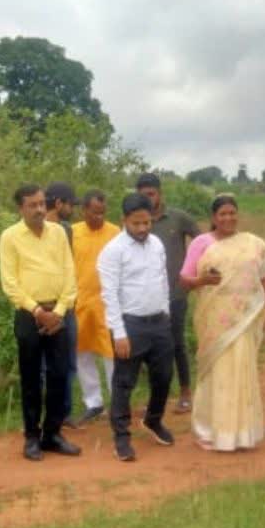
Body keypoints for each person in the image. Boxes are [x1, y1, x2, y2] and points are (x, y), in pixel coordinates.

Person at [179, 195, 265, 451]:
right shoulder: (201, 243)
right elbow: (184, 279)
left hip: (244, 320)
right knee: (215, 373)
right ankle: (209, 431)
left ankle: (241, 434)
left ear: (238, 215)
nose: (228, 218)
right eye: (222, 214)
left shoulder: (251, 243)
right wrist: (203, 281)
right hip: (213, 320)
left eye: (232, 213)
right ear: (213, 218)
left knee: (241, 371)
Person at [0, 184, 82, 461]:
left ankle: (53, 434)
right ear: (20, 208)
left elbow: (70, 273)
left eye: (41, 204)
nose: (39, 209)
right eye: (32, 205)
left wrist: (58, 311)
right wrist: (38, 311)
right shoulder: (10, 237)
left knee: (60, 375)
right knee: (32, 377)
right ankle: (32, 437)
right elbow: (10, 283)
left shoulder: (58, 232)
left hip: (60, 313)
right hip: (29, 315)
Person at [97, 193, 176, 461]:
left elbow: (162, 280)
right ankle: (121, 436)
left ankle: (153, 420)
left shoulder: (156, 244)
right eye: (136, 224)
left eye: (146, 223)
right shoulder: (113, 251)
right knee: (124, 382)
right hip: (131, 325)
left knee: (164, 376)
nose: (142, 229)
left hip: (159, 322)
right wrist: (119, 333)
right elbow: (109, 294)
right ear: (124, 220)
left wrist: (165, 313)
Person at [139, 173, 202, 413]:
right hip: (148, 296)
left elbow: (203, 242)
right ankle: (156, 399)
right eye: (143, 195)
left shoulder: (177, 218)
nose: (147, 199)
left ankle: (186, 392)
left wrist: (193, 275)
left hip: (176, 293)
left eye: (151, 194)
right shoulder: (138, 222)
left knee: (176, 343)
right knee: (150, 348)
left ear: (159, 194)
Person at [71, 190, 120, 423]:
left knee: (111, 354)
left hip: (107, 304)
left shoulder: (115, 233)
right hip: (79, 302)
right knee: (82, 353)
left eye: (102, 212)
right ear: (84, 210)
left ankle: (117, 403)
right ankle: (93, 403)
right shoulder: (72, 233)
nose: (99, 217)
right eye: (94, 212)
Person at [44, 181, 82, 427]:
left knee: (68, 360)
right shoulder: (35, 231)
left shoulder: (66, 230)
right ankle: (44, 413)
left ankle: (63, 412)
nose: (73, 210)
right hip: (43, 304)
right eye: (70, 204)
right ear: (59, 203)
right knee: (43, 364)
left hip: (66, 302)